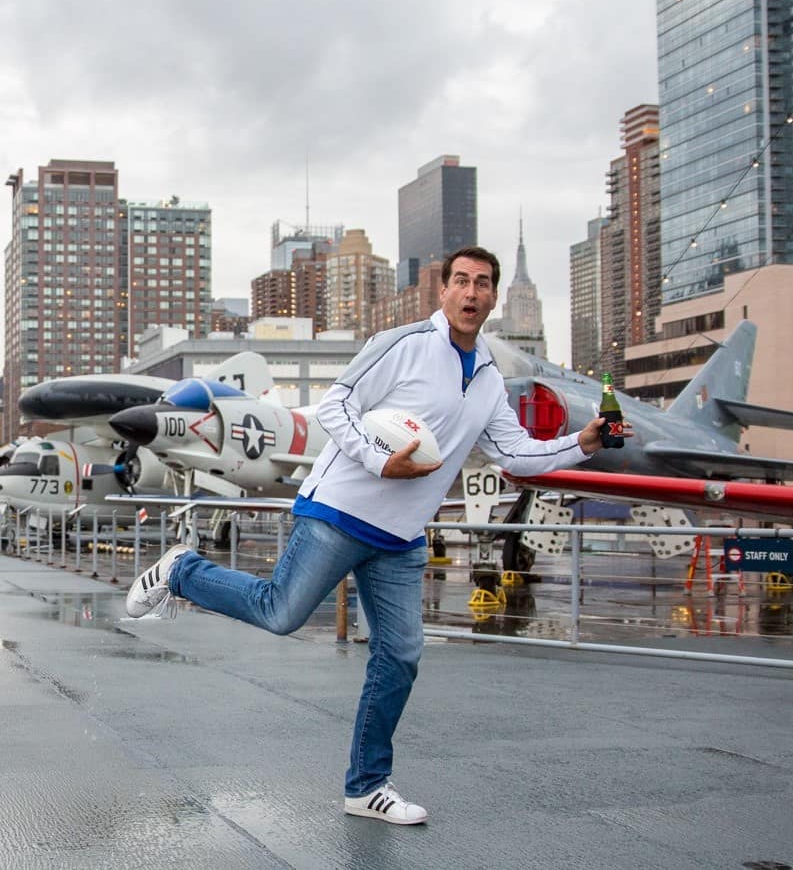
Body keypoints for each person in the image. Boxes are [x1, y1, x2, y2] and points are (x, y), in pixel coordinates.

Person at [127, 245, 613, 826]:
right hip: (339, 512)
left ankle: (366, 785)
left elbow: (516, 454)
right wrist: (382, 464)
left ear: (493, 297)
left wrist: (584, 442)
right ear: (443, 290)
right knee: (281, 613)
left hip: (401, 539)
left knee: (401, 656)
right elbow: (334, 406)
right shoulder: (404, 344)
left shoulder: (487, 379)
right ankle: (182, 571)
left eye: (483, 284)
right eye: (461, 280)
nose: (471, 292)